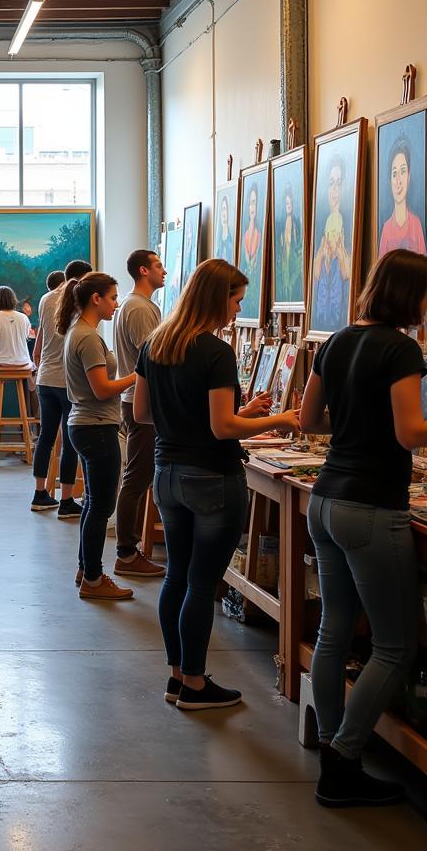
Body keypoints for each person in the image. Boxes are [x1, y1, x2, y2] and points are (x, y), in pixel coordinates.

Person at [134, 259, 299, 710]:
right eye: (236, 298)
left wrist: (230, 419)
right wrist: (280, 418)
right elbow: (222, 427)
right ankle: (195, 684)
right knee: (202, 584)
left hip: (167, 473)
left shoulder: (156, 344)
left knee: (177, 577)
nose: (237, 308)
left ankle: (177, 676)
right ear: (217, 297)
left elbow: (142, 414)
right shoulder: (215, 352)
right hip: (211, 478)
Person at [298, 248, 426, 807]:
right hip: (372, 506)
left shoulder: (338, 340)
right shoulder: (401, 348)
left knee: (334, 628)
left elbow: (307, 420)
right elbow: (408, 434)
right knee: (397, 645)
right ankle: (344, 761)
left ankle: (331, 744)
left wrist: (354, 429)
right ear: (408, 295)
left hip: (326, 499)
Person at [59, 273, 137, 601]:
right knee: (101, 506)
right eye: (113, 297)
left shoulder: (81, 332)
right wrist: (138, 375)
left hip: (87, 425)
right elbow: (101, 388)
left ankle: (85, 568)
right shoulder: (87, 337)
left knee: (93, 503)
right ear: (96, 299)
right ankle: (93, 578)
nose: (116, 304)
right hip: (96, 427)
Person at [112, 249, 167, 578]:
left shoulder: (134, 306)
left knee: (139, 475)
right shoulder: (139, 308)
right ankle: (127, 553)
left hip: (137, 400)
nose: (164, 271)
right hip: (141, 403)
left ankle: (129, 550)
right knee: (136, 477)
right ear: (144, 271)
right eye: (159, 265)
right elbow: (155, 360)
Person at [31, 259, 91, 517]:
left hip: (46, 376)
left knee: (45, 437)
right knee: (69, 441)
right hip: (68, 379)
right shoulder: (80, 299)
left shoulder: (45, 299)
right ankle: (66, 500)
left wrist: (38, 362)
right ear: (82, 277)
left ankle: (40, 493)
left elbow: (41, 338)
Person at [311, 157, 352, 334]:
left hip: (339, 315)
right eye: (331, 184)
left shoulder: (349, 225)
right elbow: (316, 275)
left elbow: (347, 273)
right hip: (322, 316)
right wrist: (322, 254)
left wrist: (340, 253)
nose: (334, 190)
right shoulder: (321, 225)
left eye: (339, 183)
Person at [379, 137, 427, 255]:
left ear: (409, 177)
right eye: (394, 173)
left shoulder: (416, 225)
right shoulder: (386, 229)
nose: (398, 181)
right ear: (390, 180)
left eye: (403, 171)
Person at [0, 286, 33, 368]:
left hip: (1, 362)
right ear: (13, 300)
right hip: (23, 362)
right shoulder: (24, 318)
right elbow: (26, 338)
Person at [276, 185, 303, 303]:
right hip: (283, 260)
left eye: (291, 202)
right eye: (287, 203)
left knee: (292, 284)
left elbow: (299, 246)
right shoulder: (281, 224)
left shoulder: (296, 223)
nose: (289, 205)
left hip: (293, 260)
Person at [215, 193, 235, 262]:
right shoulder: (218, 237)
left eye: (225, 209)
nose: (224, 213)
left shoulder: (231, 237)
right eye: (222, 209)